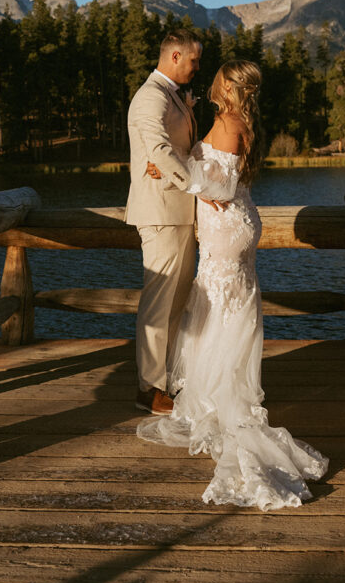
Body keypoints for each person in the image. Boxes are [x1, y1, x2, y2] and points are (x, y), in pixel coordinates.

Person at [137, 60, 329, 511]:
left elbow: (219, 188)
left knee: (220, 315)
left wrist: (171, 173)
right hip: (238, 225)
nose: (209, 81)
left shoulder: (226, 121)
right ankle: (218, 398)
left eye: (217, 77)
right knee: (228, 311)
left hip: (226, 227)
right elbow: (222, 179)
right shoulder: (238, 120)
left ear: (227, 86)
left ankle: (223, 406)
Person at [126, 28, 224, 417]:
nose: (199, 67)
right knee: (157, 303)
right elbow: (160, 151)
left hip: (178, 212)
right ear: (175, 57)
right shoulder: (150, 97)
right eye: (195, 60)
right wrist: (197, 186)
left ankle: (166, 380)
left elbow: (172, 152)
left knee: (176, 303)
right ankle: (148, 388)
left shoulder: (172, 96)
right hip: (160, 213)